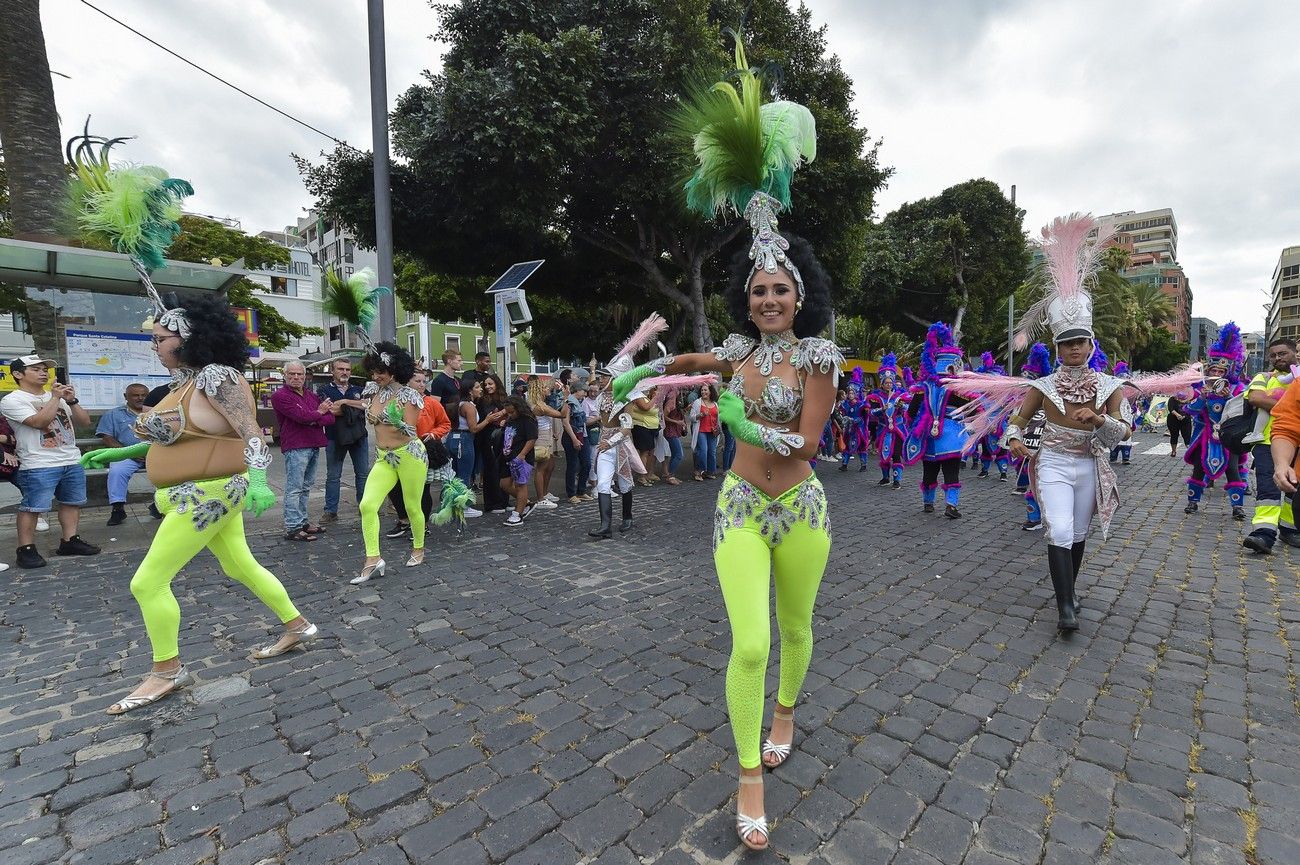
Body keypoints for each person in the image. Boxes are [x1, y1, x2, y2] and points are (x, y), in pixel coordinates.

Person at [613, 50, 838, 846]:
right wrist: (649, 367)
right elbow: (696, 362)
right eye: (758, 291)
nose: (769, 299)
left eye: (781, 291)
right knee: (751, 640)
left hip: (799, 505)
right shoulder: (737, 352)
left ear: (800, 297)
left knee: (798, 630)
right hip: (740, 506)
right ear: (749, 299)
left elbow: (808, 443)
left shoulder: (820, 359)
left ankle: (787, 711)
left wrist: (745, 424)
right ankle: (748, 771)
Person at [81, 292, 316, 713]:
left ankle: (166, 671)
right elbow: (177, 438)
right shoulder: (187, 383)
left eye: (159, 339)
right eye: (154, 339)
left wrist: (261, 481)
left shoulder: (218, 378)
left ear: (189, 337)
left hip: (209, 494)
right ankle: (298, 627)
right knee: (238, 564)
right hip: (197, 492)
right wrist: (116, 454)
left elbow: (251, 433)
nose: (154, 347)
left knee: (147, 582)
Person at [955, 214, 1132, 633]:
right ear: (1057, 346)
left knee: (1080, 531)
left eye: (1080, 342)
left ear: (1091, 344)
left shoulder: (1110, 385)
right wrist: (1014, 440)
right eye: (1066, 343)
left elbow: (1125, 433)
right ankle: (1066, 606)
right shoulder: (1043, 385)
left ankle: (1068, 591)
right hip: (1052, 461)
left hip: (1089, 464)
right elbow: (1016, 422)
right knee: (1060, 528)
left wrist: (1101, 418)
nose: (1073, 349)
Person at [1, 354, 101, 568]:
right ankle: (25, 549)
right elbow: (39, 422)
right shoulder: (13, 400)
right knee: (33, 507)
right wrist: (55, 398)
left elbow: (83, 422)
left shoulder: (58, 396)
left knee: (72, 502)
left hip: (70, 458)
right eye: (35, 369)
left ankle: (69, 541)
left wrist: (71, 400)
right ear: (18, 374)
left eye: (45, 369)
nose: (43, 372)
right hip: (38, 462)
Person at [355, 343, 427, 583]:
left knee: (412, 506)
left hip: (410, 454)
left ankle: (418, 549)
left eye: (381, 372)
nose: (376, 377)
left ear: (394, 370)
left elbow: (409, 428)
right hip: (384, 457)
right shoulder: (373, 391)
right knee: (367, 505)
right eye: (373, 372)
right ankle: (372, 559)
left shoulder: (410, 395)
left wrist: (385, 417)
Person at [904, 323, 970, 519]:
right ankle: (951, 506)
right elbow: (974, 408)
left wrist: (916, 429)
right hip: (952, 437)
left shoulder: (922, 388)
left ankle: (928, 503)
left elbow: (911, 413)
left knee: (929, 470)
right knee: (952, 471)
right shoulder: (958, 389)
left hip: (928, 438)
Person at [1183, 323, 1247, 519]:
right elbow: (1189, 410)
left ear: (1226, 372)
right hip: (1205, 435)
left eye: (1221, 372)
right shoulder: (1199, 388)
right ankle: (1192, 503)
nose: (1217, 375)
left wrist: (1228, 398)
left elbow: (1241, 411)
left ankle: (1237, 507)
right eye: (1214, 371)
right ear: (1208, 370)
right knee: (1199, 468)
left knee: (1232, 469)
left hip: (1228, 436)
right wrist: (1202, 397)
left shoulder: (1237, 389)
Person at [1243, 337, 1300, 553]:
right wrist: (1291, 403)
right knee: (1268, 487)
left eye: (1282, 353)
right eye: (1273, 355)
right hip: (1266, 442)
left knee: (1294, 489)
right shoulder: (1263, 377)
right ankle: (1263, 533)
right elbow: (1256, 398)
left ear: (1294, 353)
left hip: (1297, 443)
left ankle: (1289, 528)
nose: (1277, 358)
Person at [271, 361, 338, 541]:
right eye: (292, 374)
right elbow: (300, 417)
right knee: (294, 488)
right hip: (295, 445)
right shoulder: (280, 396)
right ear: (284, 376)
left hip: (313, 443)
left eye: (299, 374)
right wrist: (319, 412)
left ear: (304, 376)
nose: (296, 377)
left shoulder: (310, 395)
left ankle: (303, 522)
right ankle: (293, 527)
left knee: (306, 487)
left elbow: (330, 419)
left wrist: (314, 416)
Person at [385, 368, 455, 537]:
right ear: (407, 382)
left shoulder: (431, 403)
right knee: (394, 487)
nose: (422, 384)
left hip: (424, 451)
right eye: (418, 381)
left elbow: (445, 424)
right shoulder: (397, 401)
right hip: (399, 450)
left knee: (422, 489)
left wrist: (433, 434)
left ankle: (421, 526)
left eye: (424, 381)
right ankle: (404, 521)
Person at [317, 357, 370, 523]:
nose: (344, 372)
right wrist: (356, 407)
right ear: (333, 371)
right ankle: (330, 511)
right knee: (333, 476)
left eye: (347, 369)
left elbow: (368, 405)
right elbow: (328, 410)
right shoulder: (324, 389)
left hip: (359, 437)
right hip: (334, 437)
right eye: (340, 369)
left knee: (362, 475)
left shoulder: (359, 389)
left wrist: (346, 402)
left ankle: (365, 508)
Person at [96, 382, 153, 526]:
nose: (140, 398)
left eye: (144, 395)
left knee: (173, 469)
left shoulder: (156, 412)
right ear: (125, 397)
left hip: (155, 453)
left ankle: (159, 505)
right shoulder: (113, 414)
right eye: (135, 395)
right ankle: (118, 509)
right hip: (127, 454)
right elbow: (107, 437)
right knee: (117, 470)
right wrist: (128, 453)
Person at [867, 352, 908, 489]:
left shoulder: (900, 395)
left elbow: (909, 408)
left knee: (896, 454)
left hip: (898, 429)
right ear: (882, 383)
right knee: (884, 454)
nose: (889, 384)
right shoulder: (876, 397)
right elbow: (870, 412)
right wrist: (881, 410)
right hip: (883, 429)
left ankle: (897, 480)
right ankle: (885, 478)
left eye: (891, 382)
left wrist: (902, 406)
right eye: (886, 382)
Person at [499, 396, 538, 527]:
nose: (510, 414)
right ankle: (525, 502)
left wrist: (522, 454)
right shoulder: (510, 420)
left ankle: (517, 514)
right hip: (508, 456)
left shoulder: (528, 419)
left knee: (521, 485)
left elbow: (531, 439)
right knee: (504, 484)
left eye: (512, 412)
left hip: (521, 457)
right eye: (508, 412)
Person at [476, 374, 511, 513]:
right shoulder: (483, 400)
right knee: (491, 469)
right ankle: (493, 503)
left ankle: (504, 500)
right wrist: (503, 412)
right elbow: (489, 417)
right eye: (486, 384)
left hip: (504, 435)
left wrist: (505, 417)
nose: (488, 387)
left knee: (504, 468)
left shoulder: (504, 398)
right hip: (488, 436)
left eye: (490, 384)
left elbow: (513, 411)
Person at [527, 377, 563, 508]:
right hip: (541, 436)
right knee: (541, 468)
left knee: (550, 465)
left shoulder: (541, 402)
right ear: (540, 390)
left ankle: (545, 492)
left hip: (546, 434)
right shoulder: (539, 406)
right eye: (547, 388)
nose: (549, 390)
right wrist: (566, 399)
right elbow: (561, 414)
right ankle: (540, 497)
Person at [562, 380, 591, 501]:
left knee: (586, 463)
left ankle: (581, 490)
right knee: (572, 465)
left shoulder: (579, 402)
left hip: (582, 435)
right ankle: (571, 493)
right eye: (584, 391)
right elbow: (565, 422)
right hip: (572, 436)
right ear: (577, 390)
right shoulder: (569, 402)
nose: (585, 394)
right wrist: (574, 439)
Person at [629, 385, 661, 485]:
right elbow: (645, 408)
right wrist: (656, 398)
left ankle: (647, 474)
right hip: (641, 426)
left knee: (651, 451)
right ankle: (641, 477)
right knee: (644, 452)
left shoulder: (647, 397)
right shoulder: (637, 396)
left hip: (651, 427)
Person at [692, 383, 721, 481]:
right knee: (703, 451)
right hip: (701, 431)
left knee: (712, 452)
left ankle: (710, 471)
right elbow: (691, 417)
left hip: (712, 431)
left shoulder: (715, 403)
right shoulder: (697, 402)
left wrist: (718, 426)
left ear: (710, 392)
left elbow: (718, 418)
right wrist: (700, 415)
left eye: (705, 390)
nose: (703, 392)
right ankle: (699, 471)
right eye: (702, 390)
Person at [659, 388, 686, 485]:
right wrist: (676, 422)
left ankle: (671, 475)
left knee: (675, 454)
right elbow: (663, 416)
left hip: (674, 430)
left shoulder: (675, 401)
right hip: (670, 431)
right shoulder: (670, 402)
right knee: (679, 454)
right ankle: (670, 476)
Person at [1167, 392, 1192, 457]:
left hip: (1186, 420)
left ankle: (1190, 453)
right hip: (1173, 420)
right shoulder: (1172, 399)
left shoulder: (1189, 399)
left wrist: (1184, 416)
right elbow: (1171, 409)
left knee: (1187, 436)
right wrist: (1178, 415)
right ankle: (1173, 451)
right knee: (1174, 435)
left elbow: (1191, 409)